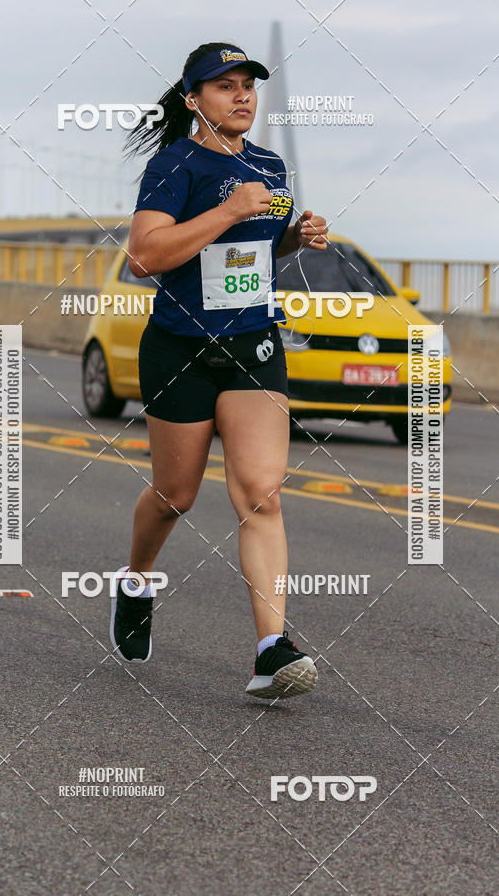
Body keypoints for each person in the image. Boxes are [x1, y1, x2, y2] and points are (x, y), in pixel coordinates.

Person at [109, 41, 329, 699]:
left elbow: (257, 245)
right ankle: (136, 579)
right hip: (180, 349)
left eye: (248, 85)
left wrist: (296, 236)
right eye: (225, 85)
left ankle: (271, 649)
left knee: (261, 490)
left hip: (253, 345)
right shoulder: (173, 165)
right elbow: (145, 255)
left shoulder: (269, 164)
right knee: (176, 494)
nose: (242, 96)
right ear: (193, 100)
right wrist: (228, 209)